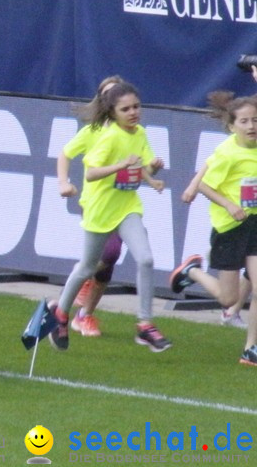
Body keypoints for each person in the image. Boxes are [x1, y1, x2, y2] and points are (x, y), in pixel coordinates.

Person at [48, 81, 172, 353]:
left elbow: (142, 167)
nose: (133, 113)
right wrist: (120, 165)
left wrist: (154, 171)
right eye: (125, 109)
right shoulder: (108, 136)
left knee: (146, 258)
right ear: (112, 112)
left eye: (136, 107)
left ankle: (145, 325)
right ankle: (61, 314)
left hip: (127, 207)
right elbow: (92, 173)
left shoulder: (139, 133)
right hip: (100, 209)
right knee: (87, 267)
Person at [169, 91, 257, 366]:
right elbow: (206, 182)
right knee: (229, 298)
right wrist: (229, 205)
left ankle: (251, 349)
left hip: (254, 224)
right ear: (232, 126)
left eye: (255, 120)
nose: (252, 126)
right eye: (244, 121)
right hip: (230, 228)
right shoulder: (228, 153)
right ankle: (192, 271)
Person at [55, 76, 140, 338]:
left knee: (111, 262)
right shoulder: (92, 131)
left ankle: (85, 315)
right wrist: (63, 183)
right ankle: (85, 277)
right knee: (111, 252)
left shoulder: (131, 132)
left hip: (122, 203)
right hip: (96, 204)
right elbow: (65, 154)